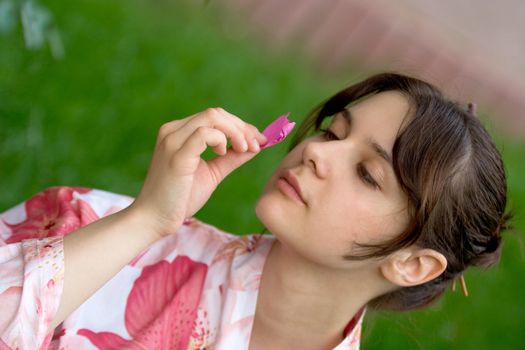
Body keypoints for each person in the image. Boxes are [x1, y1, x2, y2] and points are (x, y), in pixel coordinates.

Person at [0, 73, 510, 350]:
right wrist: (146, 220)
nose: (316, 151)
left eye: (367, 174)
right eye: (332, 132)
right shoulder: (91, 228)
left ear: (413, 264)